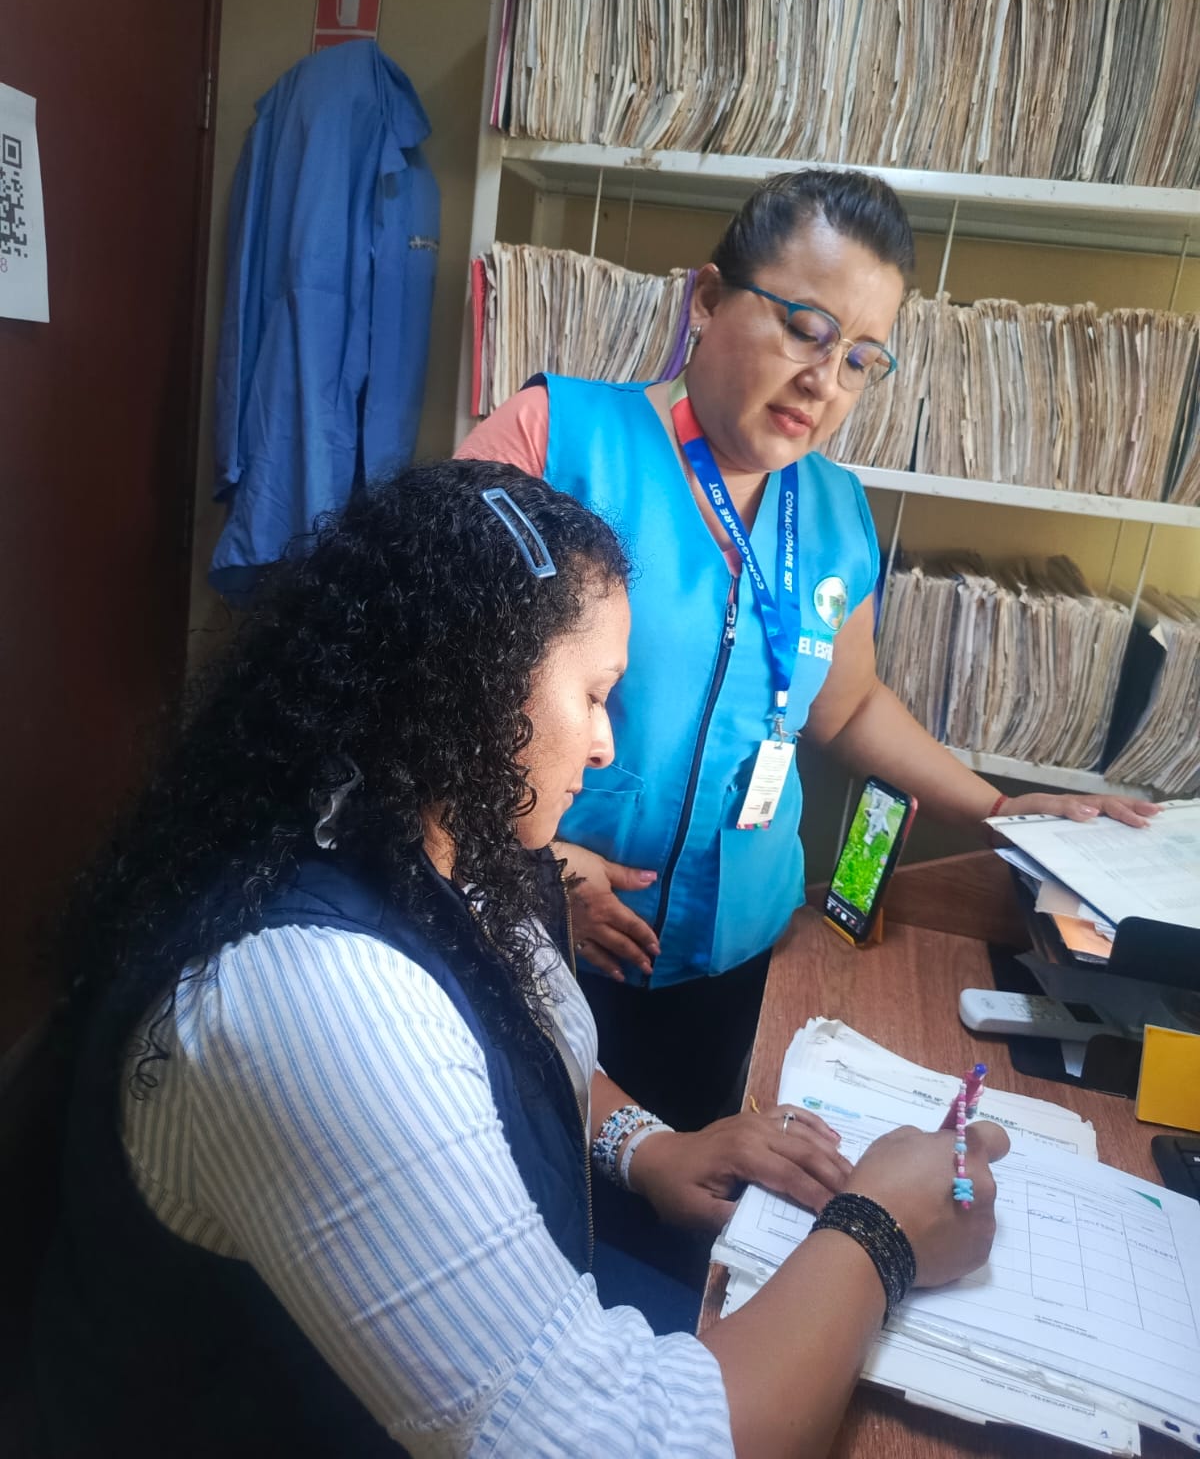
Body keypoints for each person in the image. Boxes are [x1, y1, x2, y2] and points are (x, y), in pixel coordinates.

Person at [37, 459, 1005, 1458]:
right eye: (595, 694)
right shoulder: (314, 997)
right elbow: (625, 1445)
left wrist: (644, 1144)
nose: (605, 744)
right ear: (476, 683)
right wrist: (879, 1229)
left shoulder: (446, 845)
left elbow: (512, 1052)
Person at [457, 169, 1157, 1129]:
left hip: (738, 958)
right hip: (537, 935)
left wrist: (999, 810)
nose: (825, 381)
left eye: (862, 359)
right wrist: (531, 869)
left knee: (694, 1188)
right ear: (708, 300)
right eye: (806, 329)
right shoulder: (556, 439)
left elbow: (849, 703)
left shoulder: (836, 511)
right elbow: (419, 689)